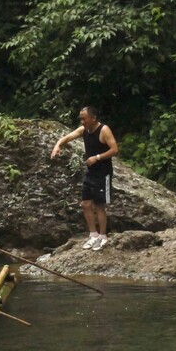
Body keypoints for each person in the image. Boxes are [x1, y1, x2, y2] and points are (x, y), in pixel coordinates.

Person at [50, 106, 119, 250]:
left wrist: (97, 157)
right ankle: (93, 235)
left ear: (93, 118)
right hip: (91, 171)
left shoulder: (103, 130)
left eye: (84, 118)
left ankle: (103, 236)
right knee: (85, 204)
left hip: (103, 172)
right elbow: (67, 137)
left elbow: (114, 149)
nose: (82, 121)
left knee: (99, 205)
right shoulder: (84, 130)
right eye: (80, 119)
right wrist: (57, 146)